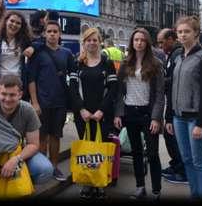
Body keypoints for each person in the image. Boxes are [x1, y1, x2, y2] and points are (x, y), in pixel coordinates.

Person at [166, 16, 202, 200]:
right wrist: (170, 117)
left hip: (197, 118)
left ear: (196, 33)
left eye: (187, 31)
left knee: (200, 161)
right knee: (187, 160)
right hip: (179, 118)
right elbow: (172, 88)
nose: (182, 35)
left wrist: (201, 123)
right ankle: (195, 195)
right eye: (179, 32)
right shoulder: (179, 57)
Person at [113, 28, 164, 200]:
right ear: (132, 42)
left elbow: (159, 94)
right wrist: (119, 114)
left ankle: (156, 190)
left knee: (152, 153)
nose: (139, 43)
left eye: (142, 40)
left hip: (148, 114)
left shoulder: (156, 64)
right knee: (136, 152)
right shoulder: (126, 63)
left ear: (147, 42)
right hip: (130, 112)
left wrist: (157, 117)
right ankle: (140, 187)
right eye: (136, 40)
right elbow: (119, 92)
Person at [70, 27, 118, 199]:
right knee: (87, 149)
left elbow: (113, 90)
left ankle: (100, 184)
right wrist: (81, 109)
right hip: (82, 115)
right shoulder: (77, 63)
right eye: (88, 40)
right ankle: (88, 183)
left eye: (95, 40)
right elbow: (73, 89)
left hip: (102, 115)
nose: (92, 43)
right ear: (84, 43)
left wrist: (101, 111)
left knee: (100, 149)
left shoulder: (107, 63)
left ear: (100, 42)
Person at [27, 20, 77, 182]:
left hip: (60, 103)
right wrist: (34, 102)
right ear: (45, 34)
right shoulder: (38, 53)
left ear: (59, 34)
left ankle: (54, 167)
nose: (52, 34)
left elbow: (74, 75)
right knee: (41, 138)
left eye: (55, 31)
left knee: (56, 136)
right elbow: (31, 79)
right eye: (49, 31)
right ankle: (42, 168)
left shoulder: (67, 53)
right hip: (42, 103)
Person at [156, 28, 187, 184]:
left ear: (171, 39)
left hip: (178, 104)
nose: (160, 46)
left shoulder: (178, 54)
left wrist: (159, 81)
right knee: (169, 136)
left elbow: (175, 79)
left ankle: (182, 171)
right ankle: (176, 165)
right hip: (172, 102)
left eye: (162, 42)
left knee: (174, 137)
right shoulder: (172, 55)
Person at [0, 11, 32, 102]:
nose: (14, 25)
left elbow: (41, 43)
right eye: (12, 21)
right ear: (6, 21)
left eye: (18, 23)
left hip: (18, 84)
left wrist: (32, 47)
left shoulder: (25, 41)